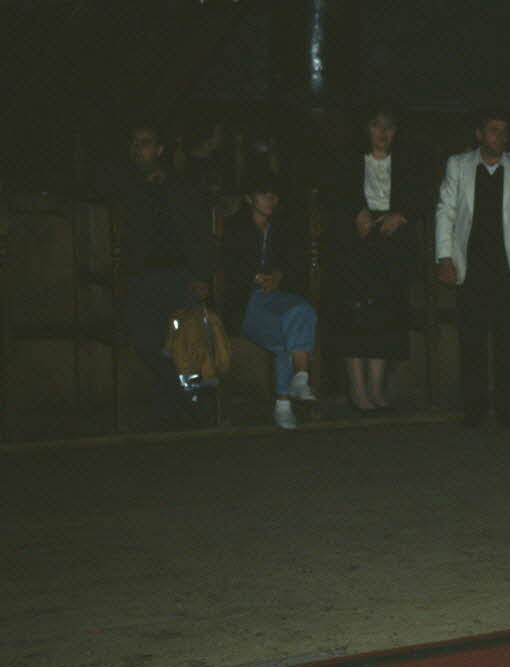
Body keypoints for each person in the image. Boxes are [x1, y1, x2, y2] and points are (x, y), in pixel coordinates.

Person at [435, 109, 510, 427]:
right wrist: (444, 257)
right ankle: (474, 411)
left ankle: (507, 411)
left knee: (508, 343)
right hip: (471, 266)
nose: (501, 137)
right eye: (494, 130)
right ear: (479, 134)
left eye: (504, 131)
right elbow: (446, 210)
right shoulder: (458, 165)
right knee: (471, 342)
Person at [116, 121, 217, 425]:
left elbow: (199, 231)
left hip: (179, 275)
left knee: (182, 343)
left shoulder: (180, 185)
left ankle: (171, 412)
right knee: (145, 340)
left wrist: (202, 275)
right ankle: (187, 400)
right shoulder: (128, 185)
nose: (138, 148)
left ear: (160, 149)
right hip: (143, 276)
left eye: (145, 142)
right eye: (134, 143)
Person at [330, 103, 423, 414]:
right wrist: (355, 212)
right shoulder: (348, 161)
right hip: (356, 246)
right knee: (355, 316)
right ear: (366, 129)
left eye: (389, 127)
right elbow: (335, 196)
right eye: (376, 126)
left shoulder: (407, 163)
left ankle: (376, 388)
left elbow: (420, 197)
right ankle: (357, 389)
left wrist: (401, 215)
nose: (383, 133)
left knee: (387, 315)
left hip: (391, 244)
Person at [220, 172, 318, 429]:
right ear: (249, 198)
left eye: (274, 195)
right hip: (245, 302)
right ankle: (283, 404)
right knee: (284, 335)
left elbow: (296, 263)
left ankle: (300, 378)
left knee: (304, 309)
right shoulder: (235, 228)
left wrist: (279, 276)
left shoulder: (282, 228)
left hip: (275, 297)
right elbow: (227, 266)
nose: (270, 200)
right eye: (264, 194)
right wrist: (253, 277)